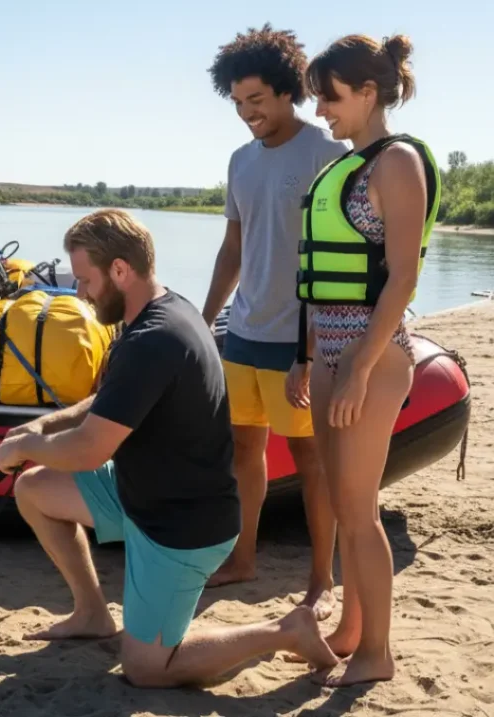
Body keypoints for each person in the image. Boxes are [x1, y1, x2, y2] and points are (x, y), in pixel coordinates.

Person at [0, 208, 338, 688]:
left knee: (147, 668)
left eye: (86, 280)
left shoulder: (154, 339)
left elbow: (91, 449)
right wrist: (42, 427)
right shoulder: (161, 309)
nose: (79, 291)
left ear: (120, 271)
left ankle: (285, 630)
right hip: (142, 492)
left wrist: (31, 444)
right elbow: (111, 399)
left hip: (180, 525)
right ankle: (93, 613)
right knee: (35, 489)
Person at [287, 33, 440, 687]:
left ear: (369, 92)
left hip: (372, 358)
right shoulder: (343, 167)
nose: (321, 109)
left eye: (331, 95)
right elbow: (319, 278)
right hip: (330, 355)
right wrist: (307, 357)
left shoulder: (396, 163)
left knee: (359, 508)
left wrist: (356, 365)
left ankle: (377, 651)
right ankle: (351, 630)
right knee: (338, 495)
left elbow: (401, 280)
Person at [201, 24, 349, 618]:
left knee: (311, 459)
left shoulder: (327, 155)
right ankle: (244, 557)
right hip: (243, 333)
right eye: (237, 103)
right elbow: (232, 251)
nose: (246, 114)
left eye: (256, 100)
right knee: (244, 448)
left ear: (287, 90)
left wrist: (309, 351)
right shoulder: (239, 161)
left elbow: (339, 267)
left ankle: (322, 579)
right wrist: (201, 320)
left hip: (299, 342)